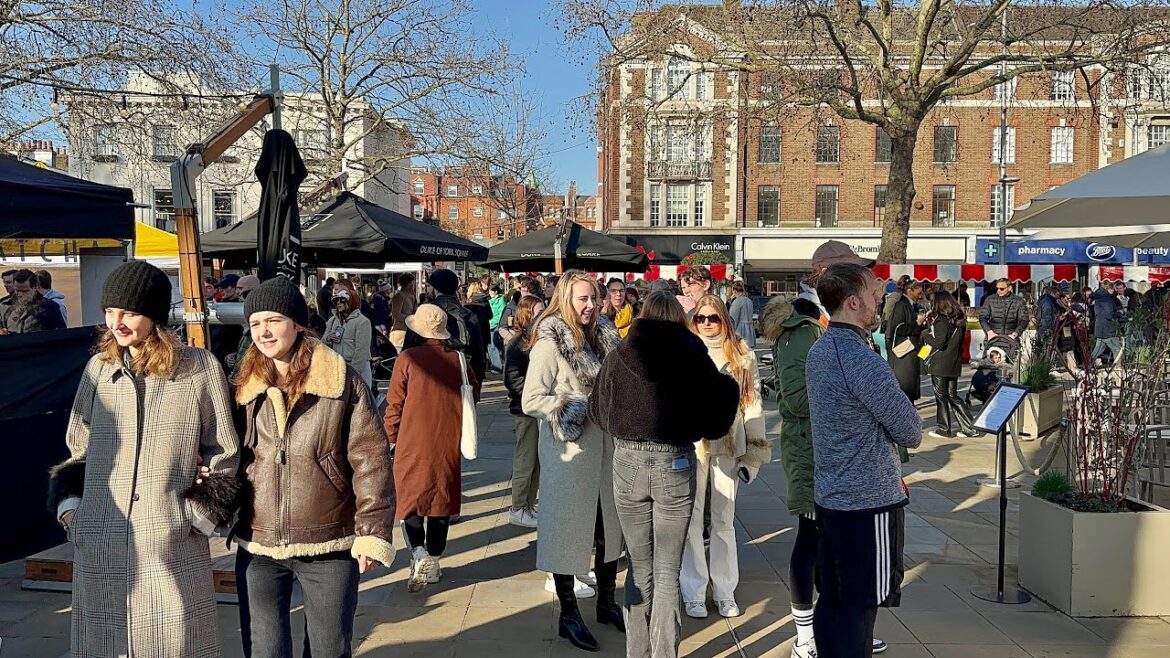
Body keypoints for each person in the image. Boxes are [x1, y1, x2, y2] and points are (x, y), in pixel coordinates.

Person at [47, 260, 243, 657]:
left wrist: (194, 518)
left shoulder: (198, 368)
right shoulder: (98, 369)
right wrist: (73, 511)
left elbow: (224, 451)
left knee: (175, 646)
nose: (116, 322)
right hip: (100, 536)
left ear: (153, 314)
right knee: (105, 646)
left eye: (129, 312)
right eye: (110, 312)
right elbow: (78, 445)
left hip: (169, 541)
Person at [232, 276, 394, 658]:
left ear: (297, 322)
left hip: (329, 539)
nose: (263, 331)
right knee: (265, 650)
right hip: (259, 541)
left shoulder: (340, 381)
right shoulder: (243, 385)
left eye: (272, 320)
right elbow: (231, 452)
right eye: (255, 323)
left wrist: (371, 530)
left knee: (329, 649)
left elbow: (371, 459)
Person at [589, 290, 739, 658]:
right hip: (675, 462)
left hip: (627, 462)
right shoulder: (693, 356)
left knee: (640, 569)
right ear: (679, 319)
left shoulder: (618, 355)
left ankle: (636, 652)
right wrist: (728, 385)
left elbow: (597, 411)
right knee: (668, 571)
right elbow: (716, 421)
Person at [806, 263, 922, 658]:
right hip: (867, 503)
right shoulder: (859, 358)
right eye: (875, 294)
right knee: (860, 607)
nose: (881, 299)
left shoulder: (821, 348)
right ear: (853, 302)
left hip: (833, 496)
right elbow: (911, 431)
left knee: (834, 600)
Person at [521, 271, 623, 652]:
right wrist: (571, 408)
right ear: (565, 299)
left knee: (607, 528)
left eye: (594, 298)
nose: (591, 305)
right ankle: (568, 613)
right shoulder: (549, 343)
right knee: (567, 531)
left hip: (607, 448)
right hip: (571, 451)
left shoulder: (607, 336)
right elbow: (532, 399)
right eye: (583, 298)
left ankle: (606, 601)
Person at [681, 294, 770, 620]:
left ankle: (724, 589)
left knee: (723, 521)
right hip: (692, 444)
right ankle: (692, 590)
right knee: (691, 519)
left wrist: (754, 455)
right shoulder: (685, 350)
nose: (706, 323)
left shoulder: (742, 355)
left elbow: (754, 405)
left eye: (713, 318)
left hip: (729, 444)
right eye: (701, 318)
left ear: (724, 319)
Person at [383, 304, 478, 592]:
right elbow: (474, 389)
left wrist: (390, 436)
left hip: (412, 438)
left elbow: (394, 403)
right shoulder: (458, 358)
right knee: (441, 499)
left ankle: (418, 552)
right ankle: (434, 560)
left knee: (409, 498)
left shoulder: (408, 358)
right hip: (448, 437)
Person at [503, 295, 547, 528]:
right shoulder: (519, 343)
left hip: (537, 410)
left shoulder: (539, 340)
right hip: (524, 410)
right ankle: (518, 507)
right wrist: (531, 396)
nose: (543, 315)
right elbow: (512, 378)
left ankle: (528, 505)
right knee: (525, 460)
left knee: (536, 461)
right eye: (538, 311)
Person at [925, 292, 977, 439]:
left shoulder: (941, 320)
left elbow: (939, 343)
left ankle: (943, 428)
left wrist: (925, 335)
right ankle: (969, 427)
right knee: (953, 395)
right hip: (954, 362)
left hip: (940, 363)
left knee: (941, 396)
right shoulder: (960, 320)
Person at [428, 268, 487, 386]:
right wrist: (475, 389)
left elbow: (409, 350)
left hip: (430, 378)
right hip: (462, 378)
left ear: (435, 289)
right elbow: (479, 357)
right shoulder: (469, 315)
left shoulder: (425, 314)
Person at [324, 280, 374, 389]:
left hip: (357, 370)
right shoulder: (333, 320)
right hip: (338, 368)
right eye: (336, 300)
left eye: (342, 300)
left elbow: (361, 351)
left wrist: (352, 374)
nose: (338, 303)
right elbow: (323, 342)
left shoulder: (362, 322)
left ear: (351, 302)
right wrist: (328, 338)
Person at [885, 280, 927, 402]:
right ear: (910, 291)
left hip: (911, 351)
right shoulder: (901, 305)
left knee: (910, 387)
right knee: (905, 387)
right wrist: (917, 323)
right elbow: (898, 328)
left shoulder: (910, 305)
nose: (920, 296)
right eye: (918, 293)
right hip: (904, 353)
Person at [0, 268, 68, 334]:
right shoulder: (4, 305)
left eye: (24, 291)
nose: (19, 294)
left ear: (35, 287)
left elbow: (60, 335)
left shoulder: (49, 307)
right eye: (17, 290)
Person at [978, 278, 1028, 345]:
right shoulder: (990, 299)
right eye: (997, 288)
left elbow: (1024, 320)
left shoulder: (1019, 301)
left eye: (1001, 289)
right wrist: (989, 332)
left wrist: (1015, 334)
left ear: (1009, 288)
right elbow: (983, 317)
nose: (998, 291)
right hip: (993, 338)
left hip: (1011, 339)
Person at [1092, 281, 1125, 364]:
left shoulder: (1099, 297)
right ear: (1109, 289)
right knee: (1117, 349)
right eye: (1114, 289)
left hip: (1100, 328)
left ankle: (1088, 364)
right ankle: (1118, 368)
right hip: (1108, 329)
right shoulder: (1107, 300)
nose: (1115, 291)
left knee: (1098, 349)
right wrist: (1119, 314)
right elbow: (1109, 314)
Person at [389, 273, 418, 350]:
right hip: (400, 330)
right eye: (413, 282)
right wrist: (410, 318)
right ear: (409, 283)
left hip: (410, 330)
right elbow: (396, 314)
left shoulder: (412, 295)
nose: (414, 284)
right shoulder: (399, 296)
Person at [726, 280, 757, 347]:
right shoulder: (749, 301)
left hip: (740, 332)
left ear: (734, 291)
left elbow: (733, 320)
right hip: (750, 332)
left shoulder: (737, 302)